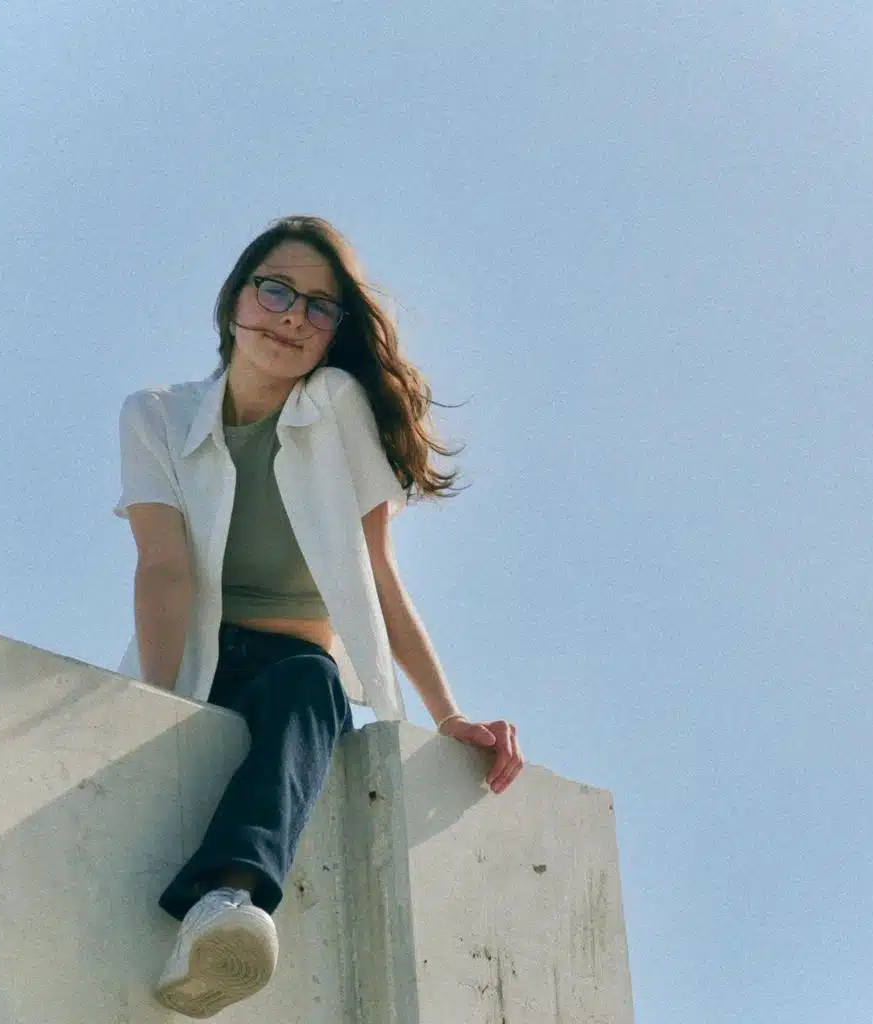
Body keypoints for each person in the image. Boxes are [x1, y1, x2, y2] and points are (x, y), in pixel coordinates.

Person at [114, 215, 524, 1017]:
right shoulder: (155, 415)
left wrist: (448, 714)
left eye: (319, 306)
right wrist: (151, 705)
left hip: (290, 667)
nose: (293, 317)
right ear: (235, 300)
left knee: (310, 684)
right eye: (275, 291)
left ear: (335, 330)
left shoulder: (335, 408)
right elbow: (163, 569)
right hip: (198, 657)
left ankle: (226, 908)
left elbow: (378, 576)